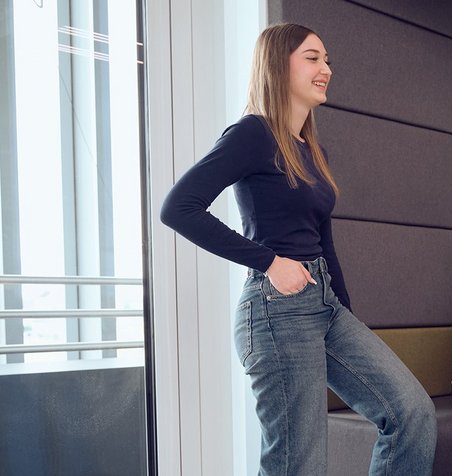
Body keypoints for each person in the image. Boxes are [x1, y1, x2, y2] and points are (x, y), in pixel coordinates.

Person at [160, 23, 435, 476]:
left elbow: (323, 240)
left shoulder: (311, 148)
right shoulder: (253, 134)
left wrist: (344, 311)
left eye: (327, 60)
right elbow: (179, 208)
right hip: (276, 311)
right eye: (312, 57)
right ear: (277, 64)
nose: (325, 68)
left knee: (411, 414)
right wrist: (268, 261)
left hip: (323, 305)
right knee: (299, 464)